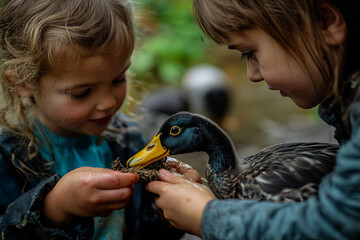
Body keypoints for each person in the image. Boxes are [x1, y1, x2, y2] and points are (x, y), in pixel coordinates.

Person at [146, 0, 360, 239]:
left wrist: (206, 215)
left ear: (326, 23)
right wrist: (209, 201)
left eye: (250, 53)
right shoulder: (349, 112)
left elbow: (337, 223)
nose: (252, 75)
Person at [0, 0, 199, 239]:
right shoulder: (7, 159)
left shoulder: (129, 142)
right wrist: (55, 207)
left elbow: (149, 231)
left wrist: (171, 205)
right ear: (22, 82)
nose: (108, 103)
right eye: (81, 92)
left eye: (118, 80)